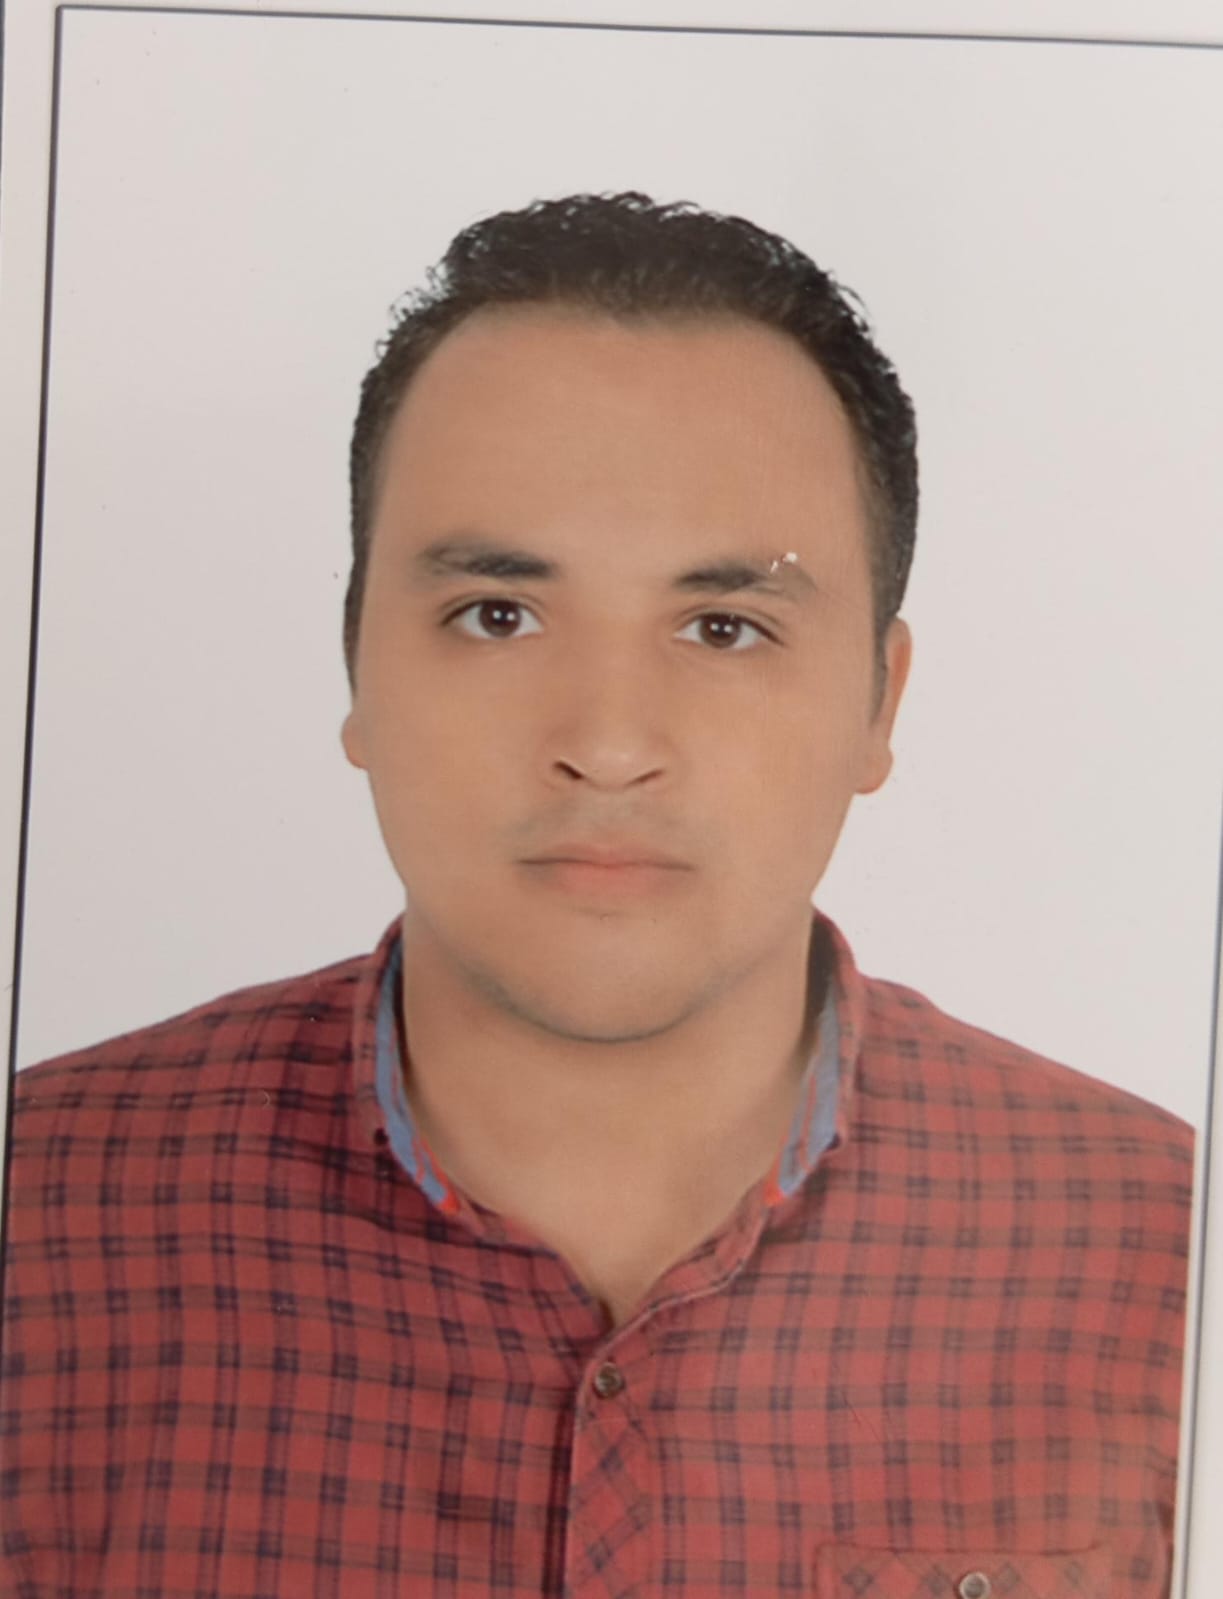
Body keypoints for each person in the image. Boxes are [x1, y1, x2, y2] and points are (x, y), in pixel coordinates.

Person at [0, 192, 1192, 1598]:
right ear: (356, 664)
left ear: (879, 702)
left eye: (724, 627)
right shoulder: (39, 1221)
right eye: (497, 616)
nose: (610, 744)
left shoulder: (1174, 1259)